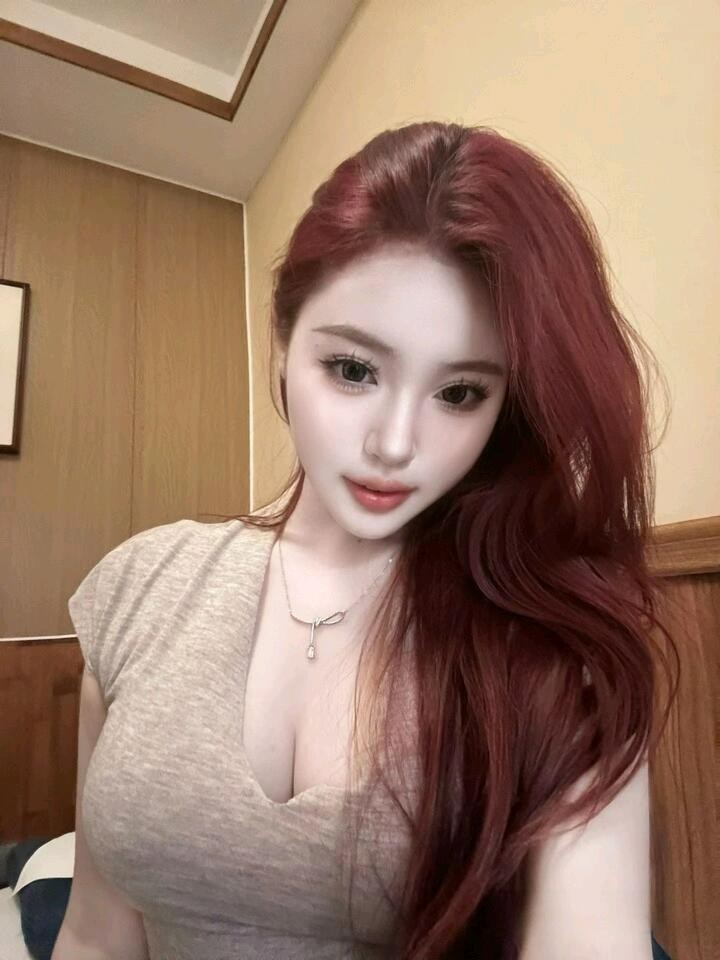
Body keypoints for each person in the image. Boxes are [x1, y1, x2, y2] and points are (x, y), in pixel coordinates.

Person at [53, 122, 679, 960]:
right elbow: (96, 936)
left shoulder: (553, 653)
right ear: (283, 342)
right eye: (353, 370)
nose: (394, 444)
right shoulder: (141, 585)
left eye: (459, 393)